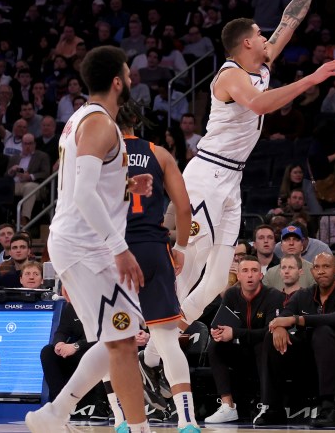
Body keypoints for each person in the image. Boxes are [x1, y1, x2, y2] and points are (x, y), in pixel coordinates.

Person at [173, 0, 335, 343]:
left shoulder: (260, 62)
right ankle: (153, 339)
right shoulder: (232, 76)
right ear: (246, 43)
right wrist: (312, 78)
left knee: (218, 277)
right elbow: (261, 104)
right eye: (260, 35)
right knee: (189, 260)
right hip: (207, 174)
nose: (267, 37)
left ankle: (172, 330)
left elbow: (292, 17)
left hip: (231, 178)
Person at [27, 46, 153, 433]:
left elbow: (90, 183)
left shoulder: (81, 117)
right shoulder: (100, 124)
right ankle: (138, 428)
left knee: (120, 337)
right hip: (87, 246)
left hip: (83, 242)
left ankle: (54, 414)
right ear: (117, 81)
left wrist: (127, 184)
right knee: (123, 344)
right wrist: (120, 248)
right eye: (129, 75)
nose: (131, 80)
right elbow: (82, 194)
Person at [114, 104, 199, 432]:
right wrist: (179, 248)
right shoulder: (159, 153)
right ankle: (187, 421)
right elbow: (184, 207)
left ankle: (123, 420)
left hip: (116, 252)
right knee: (166, 339)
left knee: (114, 338)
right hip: (153, 249)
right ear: (136, 120)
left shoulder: (100, 156)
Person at [255, 253, 335, 426]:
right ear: (311, 272)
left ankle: (328, 408)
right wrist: (280, 326)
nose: (321, 271)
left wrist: (297, 320)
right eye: (317, 267)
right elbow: (285, 315)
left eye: (326, 267)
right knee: (270, 336)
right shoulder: (303, 295)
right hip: (305, 359)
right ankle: (273, 407)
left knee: (323, 331)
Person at [204, 255, 285, 424]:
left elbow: (269, 332)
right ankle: (228, 406)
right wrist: (218, 333)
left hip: (268, 354)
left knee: (265, 342)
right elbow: (223, 325)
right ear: (238, 275)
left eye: (254, 271)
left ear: (261, 275)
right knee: (215, 346)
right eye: (245, 271)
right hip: (242, 353)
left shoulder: (274, 296)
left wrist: (235, 333)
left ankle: (268, 405)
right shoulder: (231, 294)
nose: (250, 275)